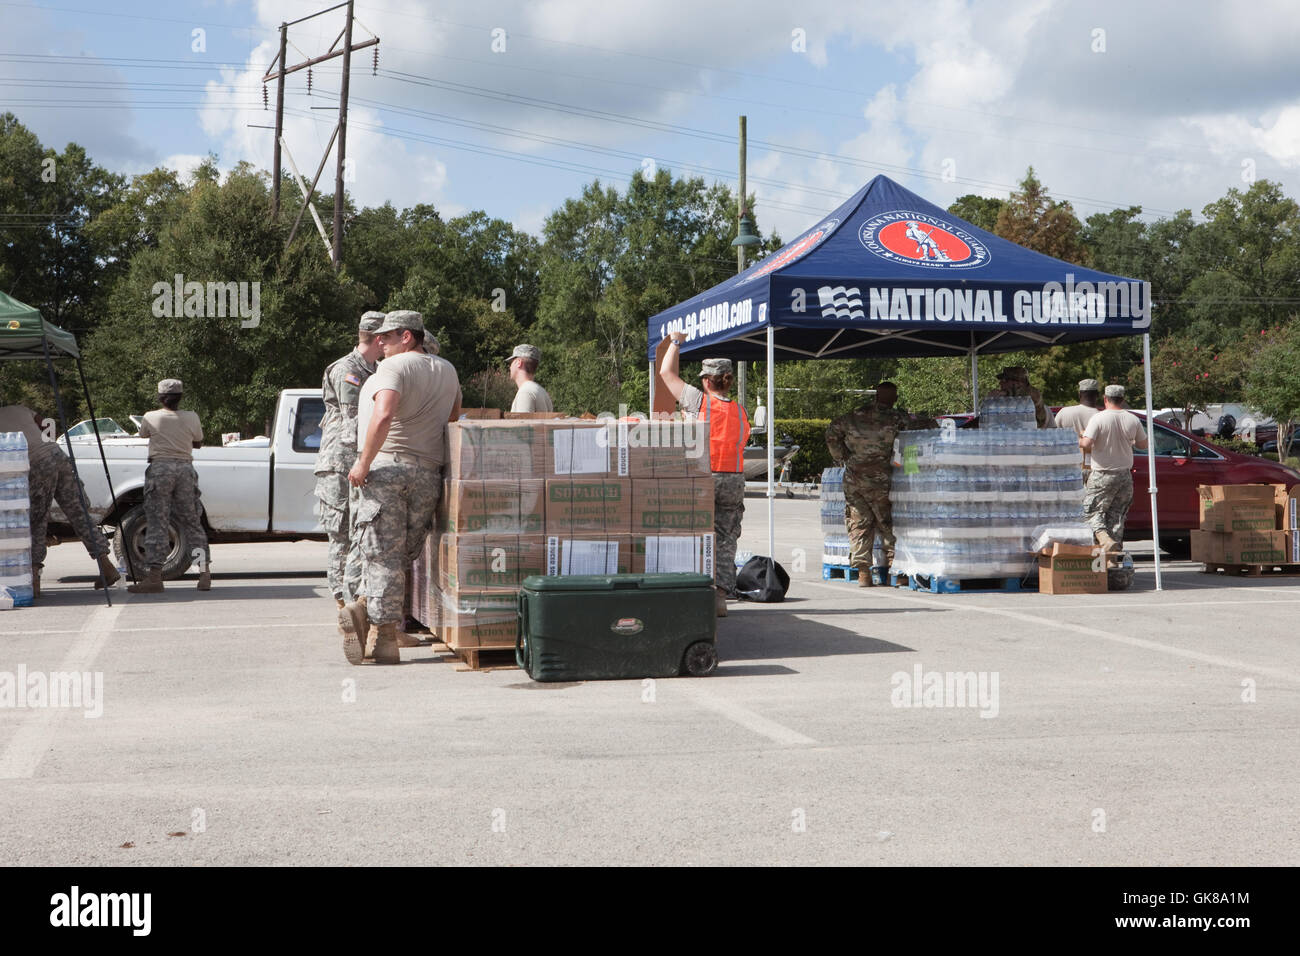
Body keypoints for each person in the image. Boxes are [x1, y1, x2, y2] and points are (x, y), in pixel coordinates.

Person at [339, 311, 461, 665]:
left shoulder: (392, 369)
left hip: (388, 468)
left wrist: (363, 462)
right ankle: (368, 617)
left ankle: (382, 634)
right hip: (428, 474)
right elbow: (453, 418)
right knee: (401, 557)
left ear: (408, 336)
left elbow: (384, 414)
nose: (381, 343)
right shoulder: (449, 370)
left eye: (387, 337)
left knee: (381, 556)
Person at [658, 332, 749, 617]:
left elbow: (665, 372)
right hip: (734, 479)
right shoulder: (740, 410)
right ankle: (720, 597)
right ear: (728, 380)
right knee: (726, 538)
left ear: (707, 381)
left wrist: (675, 342)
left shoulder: (699, 402)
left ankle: (693, 591)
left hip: (704, 477)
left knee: (695, 534)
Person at [0, 404, 118, 596]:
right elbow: (45, 425)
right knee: (78, 513)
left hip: (37, 463)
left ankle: (34, 579)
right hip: (56, 454)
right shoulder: (20, 408)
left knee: (37, 520)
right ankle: (105, 564)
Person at [825, 384, 937, 587]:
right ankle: (896, 572)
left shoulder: (852, 416)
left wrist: (843, 457)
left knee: (858, 523)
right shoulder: (897, 418)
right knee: (887, 523)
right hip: (882, 478)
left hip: (854, 477)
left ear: (876, 396)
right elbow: (914, 435)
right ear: (893, 398)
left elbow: (831, 433)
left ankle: (863, 573)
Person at [314, 311, 385, 609]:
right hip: (339, 462)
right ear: (377, 338)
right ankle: (342, 604)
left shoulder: (374, 370)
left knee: (358, 532)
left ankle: (351, 599)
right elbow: (352, 422)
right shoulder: (349, 370)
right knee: (342, 534)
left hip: (354, 462)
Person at [127, 379, 209, 593]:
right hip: (185, 469)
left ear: (160, 397)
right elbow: (198, 442)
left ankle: (155, 577)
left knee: (157, 521)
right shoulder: (192, 417)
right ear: (181, 397)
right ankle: (204, 574)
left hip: (160, 469)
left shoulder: (150, 417)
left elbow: (143, 434)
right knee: (192, 522)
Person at [1079, 384, 1148, 553]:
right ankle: (1112, 558)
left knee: (1091, 511)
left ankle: (1103, 538)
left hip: (1102, 474)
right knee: (1117, 517)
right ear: (1123, 400)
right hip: (1124, 476)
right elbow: (1143, 444)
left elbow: (1087, 443)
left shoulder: (1099, 418)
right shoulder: (1132, 419)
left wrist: (1081, 438)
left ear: (1105, 399)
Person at [1055, 378, 1101, 478]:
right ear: (1097, 395)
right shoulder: (1102, 417)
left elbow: (1052, 437)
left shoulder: (1064, 412)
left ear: (1079, 394)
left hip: (1068, 468)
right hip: (1093, 470)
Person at [988, 366, 1056, 428]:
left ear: (1018, 382)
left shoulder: (1032, 394)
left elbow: (1024, 394)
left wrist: (1003, 393)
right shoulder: (1011, 400)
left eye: (1004, 380)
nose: (1000, 383)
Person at [508, 344, 553, 413]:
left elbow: (523, 423)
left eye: (511, 362)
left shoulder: (525, 393)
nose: (510, 367)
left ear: (518, 363)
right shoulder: (542, 391)